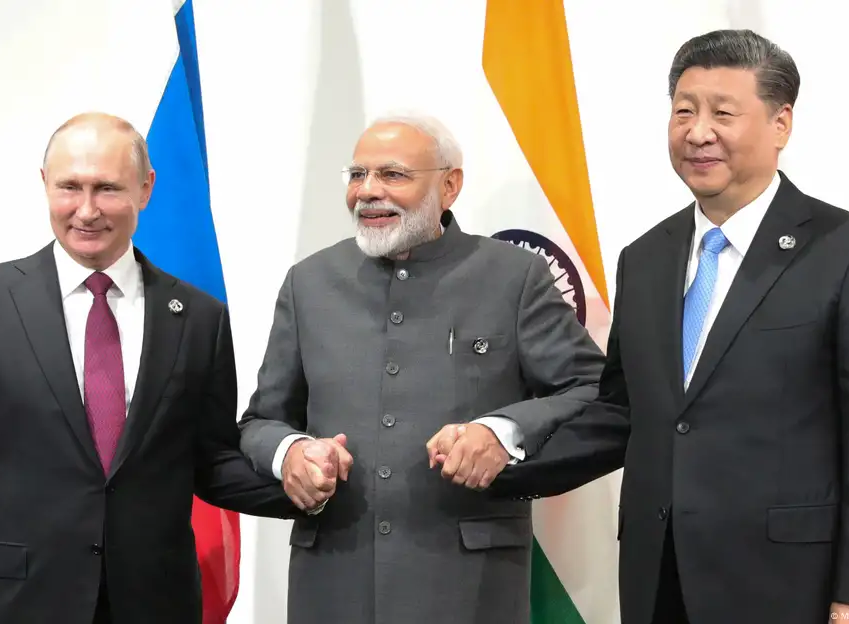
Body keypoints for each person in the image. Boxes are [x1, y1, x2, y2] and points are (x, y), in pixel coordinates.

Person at [455, 30, 849, 623]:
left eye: (722, 113)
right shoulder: (646, 257)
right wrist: (505, 448)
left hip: (790, 586)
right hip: (658, 580)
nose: (698, 132)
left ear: (781, 124)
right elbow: (626, 412)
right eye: (684, 111)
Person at [0, 113, 298, 624]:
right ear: (45, 183)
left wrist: (302, 485)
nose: (87, 210)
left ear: (146, 188)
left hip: (156, 603)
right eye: (70, 187)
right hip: (19, 604)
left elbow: (209, 460)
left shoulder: (200, 318)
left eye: (108, 189)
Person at [237, 113, 605, 624]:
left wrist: (504, 432)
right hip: (333, 585)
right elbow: (259, 422)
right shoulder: (309, 282)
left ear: (449, 185)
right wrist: (290, 452)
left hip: (468, 586)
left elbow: (593, 390)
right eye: (358, 175)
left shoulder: (513, 276)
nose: (367, 192)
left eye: (392, 175)